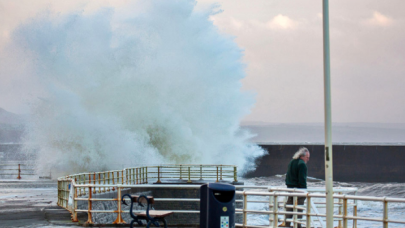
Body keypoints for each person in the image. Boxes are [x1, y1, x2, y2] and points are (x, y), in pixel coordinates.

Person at [282, 147, 310, 228]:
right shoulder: (302, 164)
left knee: (290, 207)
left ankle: (287, 224)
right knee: (299, 208)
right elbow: (302, 179)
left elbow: (288, 175)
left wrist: (289, 185)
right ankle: (298, 225)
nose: (308, 159)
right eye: (307, 157)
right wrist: (304, 191)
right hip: (299, 190)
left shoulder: (292, 162)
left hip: (290, 189)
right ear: (302, 156)